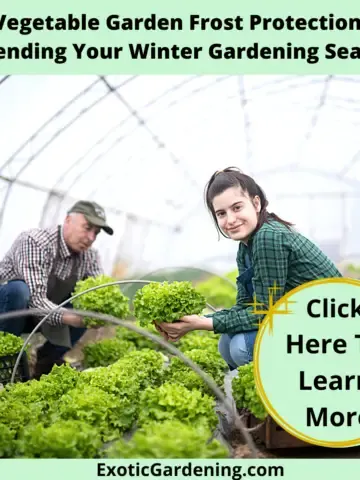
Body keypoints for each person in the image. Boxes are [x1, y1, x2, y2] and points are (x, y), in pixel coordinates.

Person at [157, 167, 342, 369]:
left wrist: (202, 323)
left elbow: (265, 311)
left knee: (241, 347)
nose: (230, 220)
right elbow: (246, 305)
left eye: (237, 208)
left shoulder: (268, 237)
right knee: (226, 343)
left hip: (331, 329)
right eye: (221, 213)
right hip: (301, 320)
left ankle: (297, 387)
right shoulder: (245, 248)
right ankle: (257, 395)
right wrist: (192, 321)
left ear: (256, 203)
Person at [0, 200, 114, 378]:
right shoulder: (35, 241)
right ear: (68, 220)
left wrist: (102, 311)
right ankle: (6, 356)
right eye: (87, 228)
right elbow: (36, 300)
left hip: (45, 316)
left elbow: (101, 293)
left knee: (89, 304)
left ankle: (48, 359)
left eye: (96, 233)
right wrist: (73, 318)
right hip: (9, 312)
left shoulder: (89, 256)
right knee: (18, 290)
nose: (91, 237)